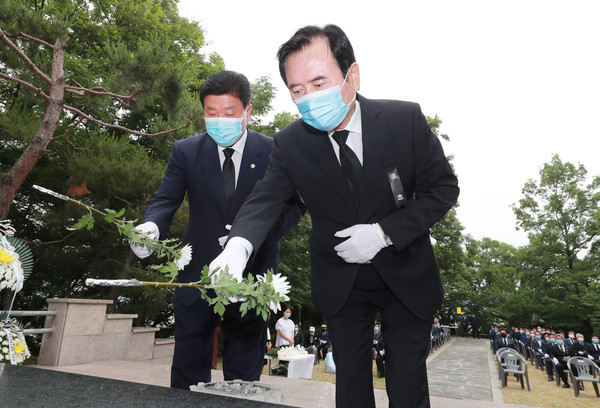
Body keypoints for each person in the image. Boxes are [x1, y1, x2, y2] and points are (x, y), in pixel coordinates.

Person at [209, 24, 459, 408]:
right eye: (297, 90)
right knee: (351, 381)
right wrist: (238, 247)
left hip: (405, 270)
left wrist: (383, 233)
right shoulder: (290, 143)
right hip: (342, 277)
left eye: (318, 81)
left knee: (407, 380)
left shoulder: (403, 120)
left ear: (351, 75)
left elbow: (442, 189)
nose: (309, 97)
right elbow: (266, 199)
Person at [131, 70, 304, 390]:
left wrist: (253, 239)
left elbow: (295, 205)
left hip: (253, 275)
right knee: (187, 366)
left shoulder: (274, 151)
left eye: (229, 113)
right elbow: (165, 198)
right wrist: (151, 226)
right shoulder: (186, 151)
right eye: (212, 113)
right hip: (196, 274)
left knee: (243, 372)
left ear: (247, 111)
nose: (220, 120)